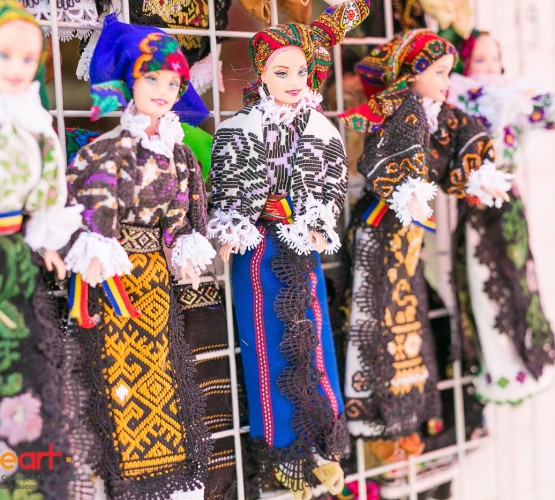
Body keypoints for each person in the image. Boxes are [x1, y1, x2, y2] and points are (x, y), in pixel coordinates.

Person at [208, 1, 370, 497]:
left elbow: (328, 183)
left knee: (313, 334)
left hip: (302, 248)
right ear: (262, 73)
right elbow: (230, 186)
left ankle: (322, 440)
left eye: (301, 71)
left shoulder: (319, 129)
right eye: (282, 72)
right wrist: (235, 223)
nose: (295, 81)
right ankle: (282, 450)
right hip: (257, 249)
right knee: (265, 342)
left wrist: (317, 220)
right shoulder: (239, 129)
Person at [63, 14, 216, 498]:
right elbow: (93, 201)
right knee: (117, 368)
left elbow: (183, 210)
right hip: (115, 276)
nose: (165, 91)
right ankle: (127, 472)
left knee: (162, 365)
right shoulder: (111, 150)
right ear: (128, 82)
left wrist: (183, 244)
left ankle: (168, 465)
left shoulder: (178, 153)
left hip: (155, 277)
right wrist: (96, 244)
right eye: (153, 79)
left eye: (173, 83)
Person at [340, 29, 510, 441]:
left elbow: (465, 137)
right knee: (376, 313)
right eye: (439, 72)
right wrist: (407, 189)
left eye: (449, 72)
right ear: (412, 73)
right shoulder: (403, 113)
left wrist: (479, 174)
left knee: (407, 313)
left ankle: (404, 404)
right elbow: (383, 157)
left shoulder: (441, 115)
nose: (447, 82)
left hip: (409, 234)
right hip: (380, 227)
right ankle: (369, 407)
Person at [445, 29, 555, 404]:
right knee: (484, 284)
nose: (490, 67)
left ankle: (527, 363)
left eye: (495, 58)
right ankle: (501, 369)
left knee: (517, 280)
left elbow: (547, 114)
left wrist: (526, 99)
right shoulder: (460, 99)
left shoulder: (509, 95)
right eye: (480, 59)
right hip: (477, 206)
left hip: (509, 204)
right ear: (465, 64)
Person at [0, 1, 83, 497]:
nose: (17, 68)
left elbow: (50, 186)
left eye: (28, 59)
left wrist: (50, 240)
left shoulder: (33, 121)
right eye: (5, 55)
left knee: (21, 360)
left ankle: (21, 476)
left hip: (14, 252)